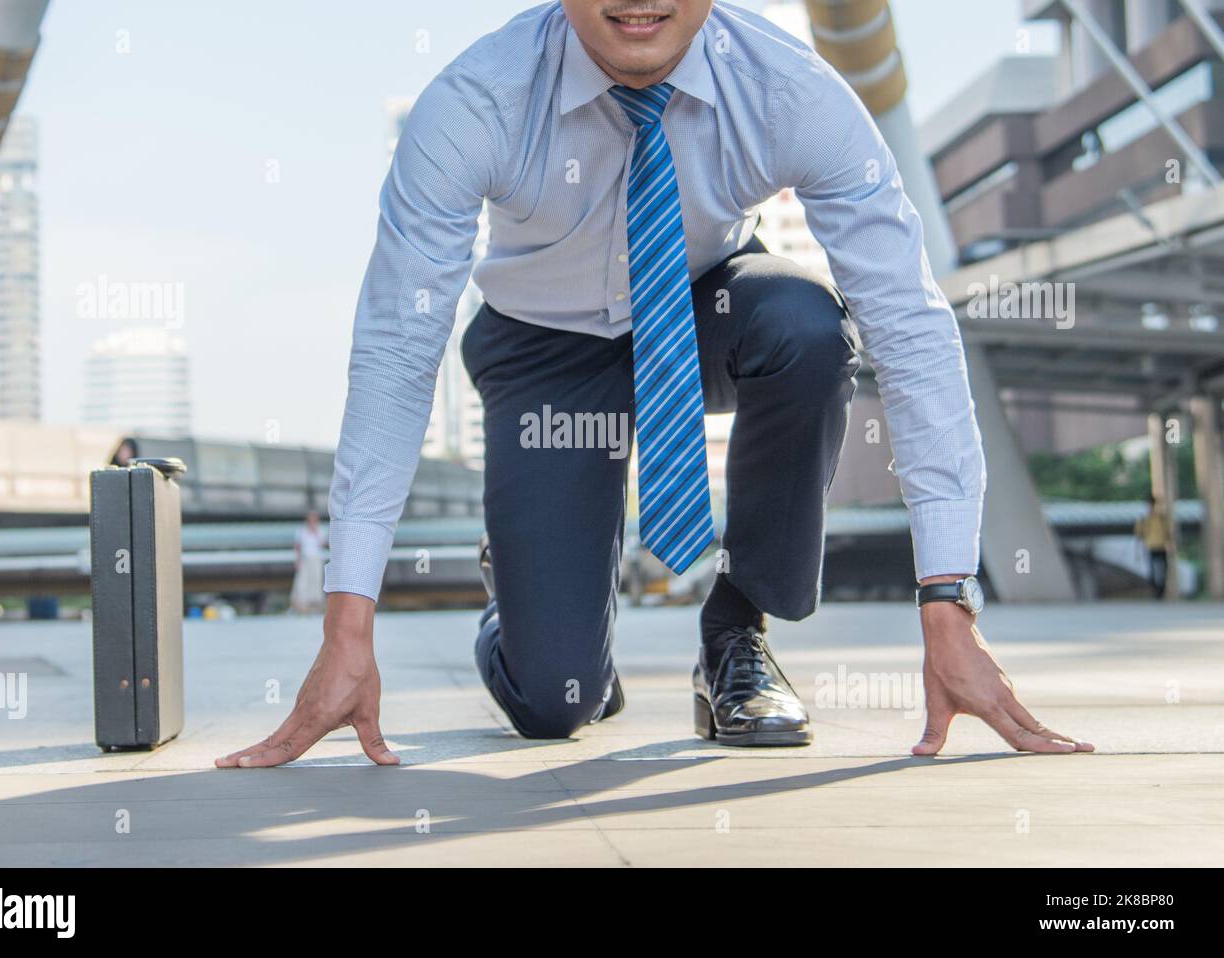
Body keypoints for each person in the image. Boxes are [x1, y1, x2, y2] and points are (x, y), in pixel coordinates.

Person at [218, 1, 1092, 770]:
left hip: (705, 305)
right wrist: (347, 629)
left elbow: (911, 324)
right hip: (543, 348)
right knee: (556, 703)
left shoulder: (791, 92)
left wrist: (949, 602)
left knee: (807, 328)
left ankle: (735, 634)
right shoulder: (476, 104)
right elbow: (396, 355)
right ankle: (520, 595)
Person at [290, 511, 328, 614]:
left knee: (316, 580)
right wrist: (297, 560)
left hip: (316, 559)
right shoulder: (301, 531)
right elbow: (297, 547)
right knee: (302, 581)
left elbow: (323, 544)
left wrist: (315, 532)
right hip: (305, 559)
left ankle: (315, 604)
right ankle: (301, 605)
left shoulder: (321, 530)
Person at [1135, 492, 1172, 600]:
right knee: (1152, 572)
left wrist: (1170, 544)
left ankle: (1161, 592)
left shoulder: (1161, 518)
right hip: (1150, 547)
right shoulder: (1144, 518)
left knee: (1163, 570)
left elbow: (1168, 532)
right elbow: (1139, 534)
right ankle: (1156, 592)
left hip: (1161, 546)